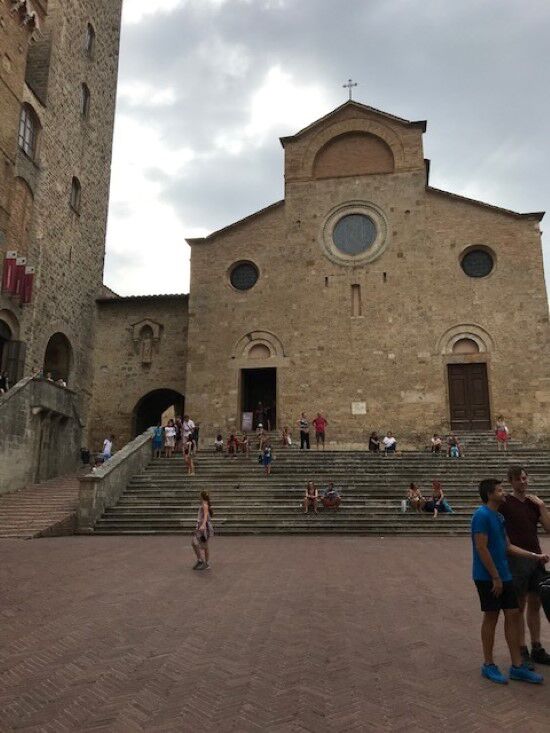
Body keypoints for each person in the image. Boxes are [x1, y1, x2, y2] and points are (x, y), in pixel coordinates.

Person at [471, 478, 547, 684]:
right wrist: (495, 577)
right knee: (491, 617)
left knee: (513, 615)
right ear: (489, 495)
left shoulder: (499, 517)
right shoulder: (481, 515)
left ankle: (517, 666)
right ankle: (488, 664)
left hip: (504, 574)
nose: (503, 493)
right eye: (499, 490)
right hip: (487, 576)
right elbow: (481, 548)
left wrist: (535, 556)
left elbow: (507, 546)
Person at [500, 466, 550, 668]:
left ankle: (536, 646)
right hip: (516, 559)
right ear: (511, 481)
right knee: (519, 606)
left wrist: (542, 506)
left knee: (536, 603)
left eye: (525, 478)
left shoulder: (533, 503)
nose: (523, 482)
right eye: (519, 479)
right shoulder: (505, 503)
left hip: (536, 558)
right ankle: (522, 649)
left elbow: (548, 528)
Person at [191, 491, 213, 571]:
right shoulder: (204, 504)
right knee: (194, 543)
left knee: (204, 546)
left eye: (199, 496)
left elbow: (206, 515)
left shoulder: (204, 504)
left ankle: (205, 563)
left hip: (204, 528)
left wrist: (203, 525)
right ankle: (200, 560)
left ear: (202, 496)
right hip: (201, 527)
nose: (198, 497)